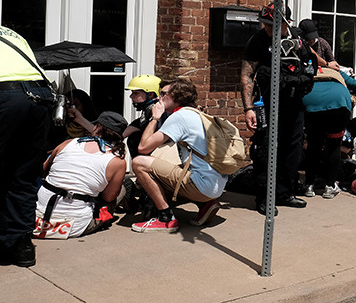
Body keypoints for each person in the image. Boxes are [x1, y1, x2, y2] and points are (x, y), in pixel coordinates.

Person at [241, 3, 323, 214]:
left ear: (286, 23)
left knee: (293, 149)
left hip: (294, 104)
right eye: (266, 24)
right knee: (265, 150)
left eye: (273, 24)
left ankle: (285, 194)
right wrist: (248, 108)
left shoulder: (297, 40)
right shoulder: (257, 41)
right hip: (266, 105)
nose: (268, 28)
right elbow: (246, 75)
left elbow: (311, 63)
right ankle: (264, 198)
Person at [131, 78, 226, 232]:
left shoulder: (179, 117)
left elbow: (143, 148)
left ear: (176, 97)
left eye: (163, 94)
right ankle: (205, 204)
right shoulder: (196, 113)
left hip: (202, 185)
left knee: (139, 163)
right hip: (216, 184)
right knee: (167, 171)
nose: (158, 98)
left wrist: (155, 118)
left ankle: (166, 218)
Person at [0, 26, 54, 267]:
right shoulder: (10, 33)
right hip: (38, 95)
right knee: (23, 174)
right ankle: (21, 245)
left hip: (5, 94)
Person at [35, 112, 128, 239]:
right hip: (76, 226)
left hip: (37, 219)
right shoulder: (117, 161)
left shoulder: (68, 143)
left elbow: (43, 170)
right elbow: (107, 198)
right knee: (121, 189)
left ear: (96, 127)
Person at [302, 66, 356, 199]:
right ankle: (330, 186)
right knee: (334, 145)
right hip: (339, 103)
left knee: (314, 145)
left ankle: (309, 185)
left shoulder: (306, 68)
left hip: (311, 102)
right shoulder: (335, 71)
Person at [122, 74, 163, 158]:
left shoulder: (157, 113)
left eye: (136, 93)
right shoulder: (146, 114)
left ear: (151, 94)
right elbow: (121, 134)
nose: (131, 96)